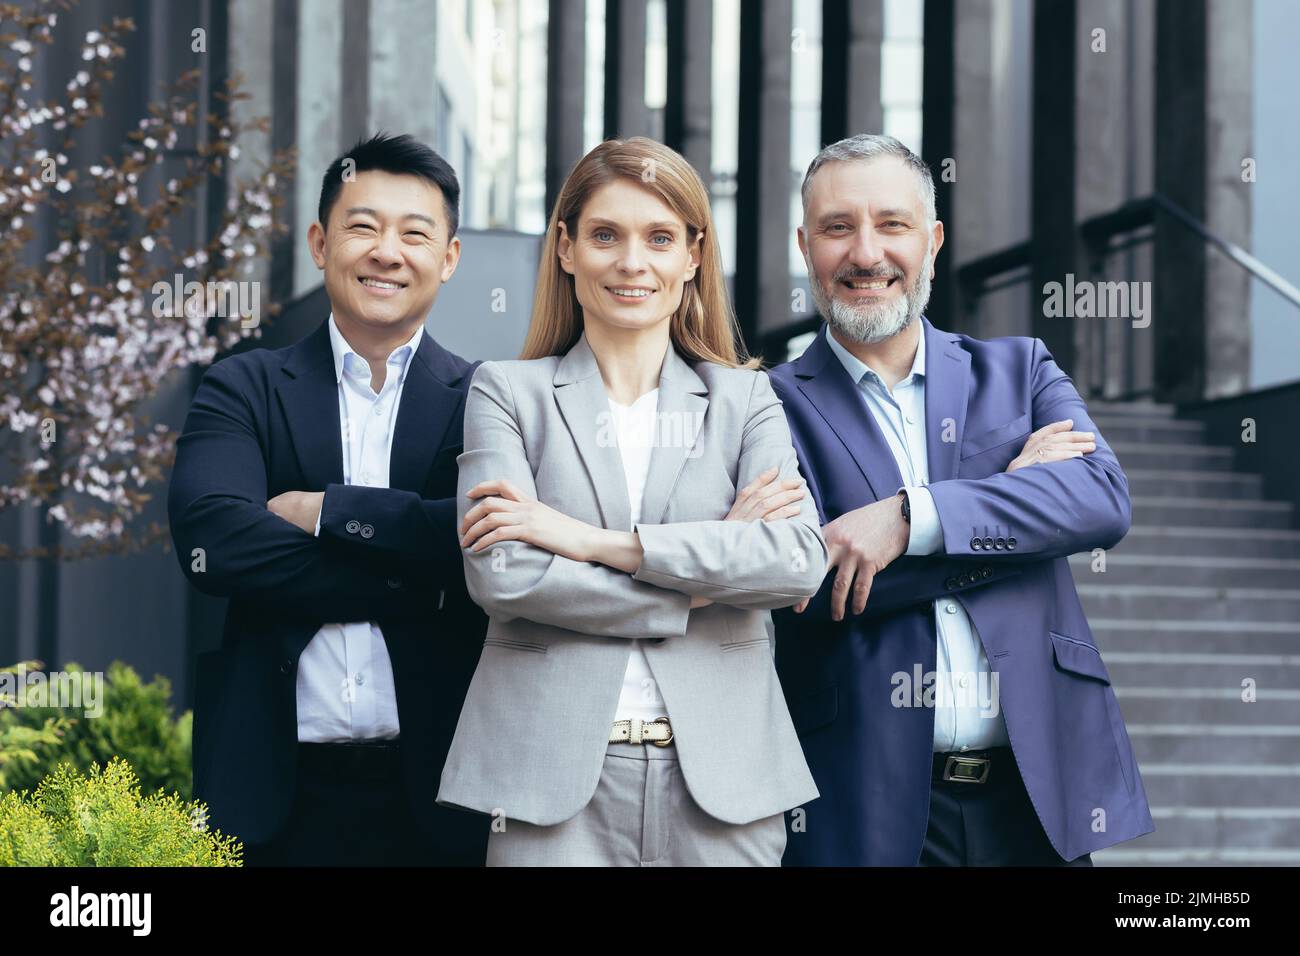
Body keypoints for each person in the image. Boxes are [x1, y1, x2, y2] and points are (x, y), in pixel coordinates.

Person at [435, 137, 828, 866]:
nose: (631, 262)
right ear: (565, 248)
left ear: (692, 255)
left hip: (724, 788)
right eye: (606, 235)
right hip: (548, 789)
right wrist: (705, 584)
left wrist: (586, 540)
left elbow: (796, 564)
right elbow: (503, 576)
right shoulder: (506, 392)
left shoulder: (745, 398)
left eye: (659, 238)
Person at [769, 133, 1154, 866]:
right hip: (861, 799)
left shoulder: (1020, 369)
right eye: (837, 227)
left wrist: (910, 518)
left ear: (933, 241)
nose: (866, 253)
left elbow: (1103, 499)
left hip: (1037, 795)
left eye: (892, 224)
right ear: (805, 245)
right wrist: (1009, 504)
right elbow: (808, 581)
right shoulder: (766, 405)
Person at [169, 133, 489, 866]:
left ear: (449, 258)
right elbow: (214, 542)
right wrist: (425, 584)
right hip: (270, 797)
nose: (387, 251)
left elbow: (485, 544)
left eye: (415, 233)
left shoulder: (486, 399)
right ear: (320, 242)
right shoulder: (243, 385)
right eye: (363, 226)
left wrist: (325, 513)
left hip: (438, 800)